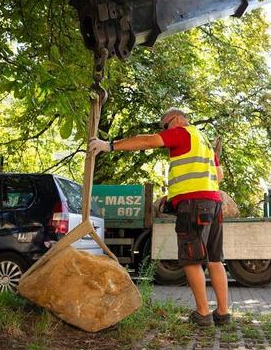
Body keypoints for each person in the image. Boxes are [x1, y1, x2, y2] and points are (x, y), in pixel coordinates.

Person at [89, 107, 230, 327]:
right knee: (214, 259)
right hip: (214, 204)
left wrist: (109, 146)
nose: (163, 130)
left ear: (176, 119)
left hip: (193, 205)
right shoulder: (204, 142)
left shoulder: (182, 132)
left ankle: (203, 314)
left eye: (164, 126)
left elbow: (147, 142)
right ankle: (223, 312)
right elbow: (218, 176)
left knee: (191, 260)